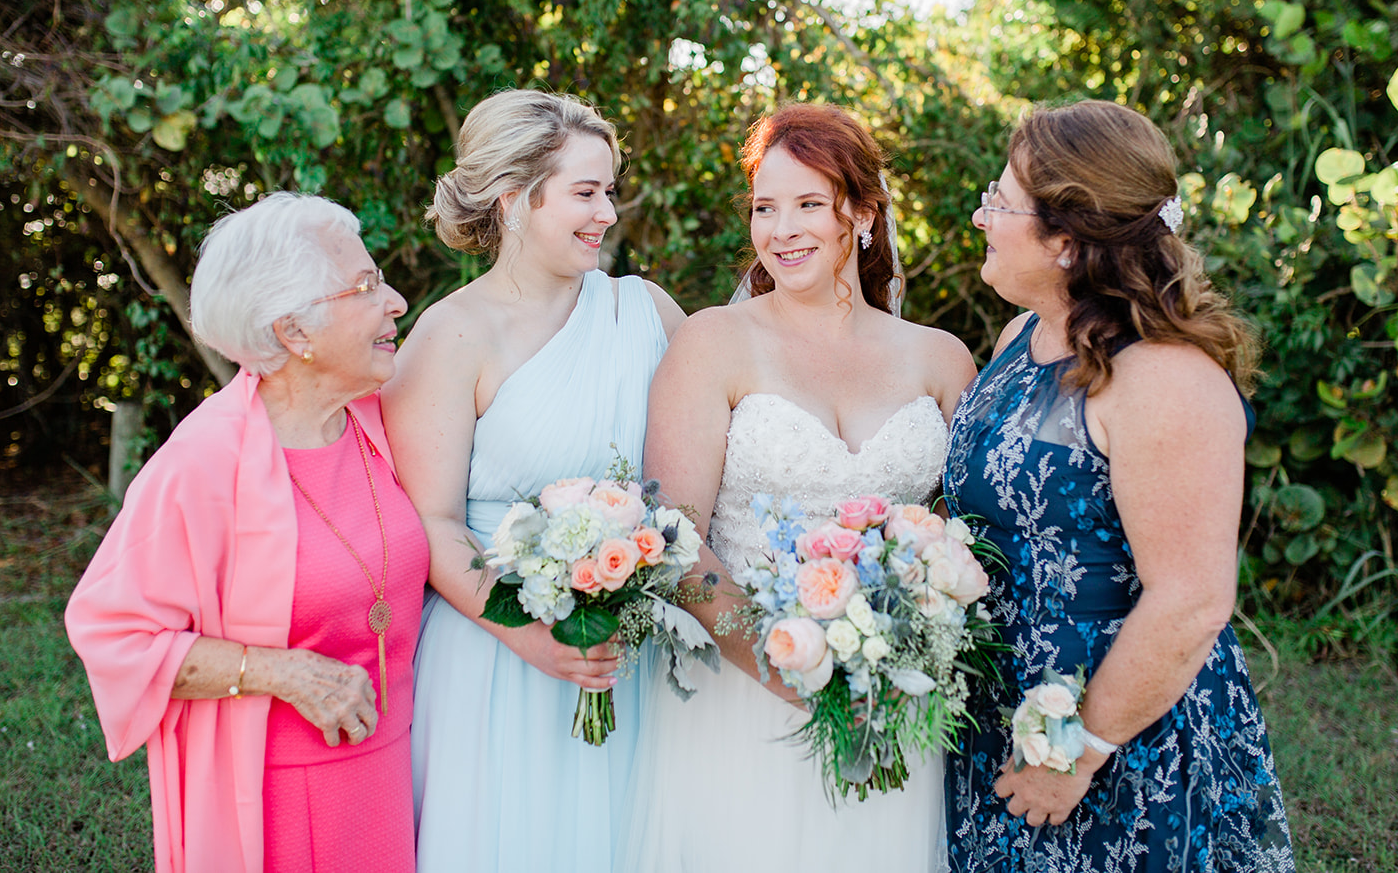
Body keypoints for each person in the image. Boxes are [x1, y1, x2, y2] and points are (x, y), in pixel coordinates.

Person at [617, 103, 976, 872]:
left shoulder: (941, 360)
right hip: (742, 694)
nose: (782, 229)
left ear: (864, 212)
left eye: (809, 203)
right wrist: (786, 666)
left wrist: (896, 647)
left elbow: (966, 536)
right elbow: (675, 536)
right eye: (764, 207)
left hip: (891, 693)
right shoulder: (712, 342)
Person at [943, 99, 1294, 872]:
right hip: (1001, 710)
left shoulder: (1164, 378)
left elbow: (1191, 598)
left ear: (1065, 241)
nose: (982, 217)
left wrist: (1073, 752)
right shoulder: (1019, 338)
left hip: (1119, 742)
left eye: (999, 201)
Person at [65, 192, 428, 873]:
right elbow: (111, 629)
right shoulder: (203, 461)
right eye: (368, 286)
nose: (398, 301)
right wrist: (281, 670)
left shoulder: (381, 418)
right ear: (294, 331)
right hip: (283, 798)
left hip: (399, 767)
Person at [383, 89, 684, 873]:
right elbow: (433, 523)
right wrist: (535, 640)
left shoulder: (646, 310)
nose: (607, 213)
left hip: (628, 654)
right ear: (515, 200)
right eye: (585, 192)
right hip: (496, 656)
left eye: (609, 190)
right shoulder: (450, 335)